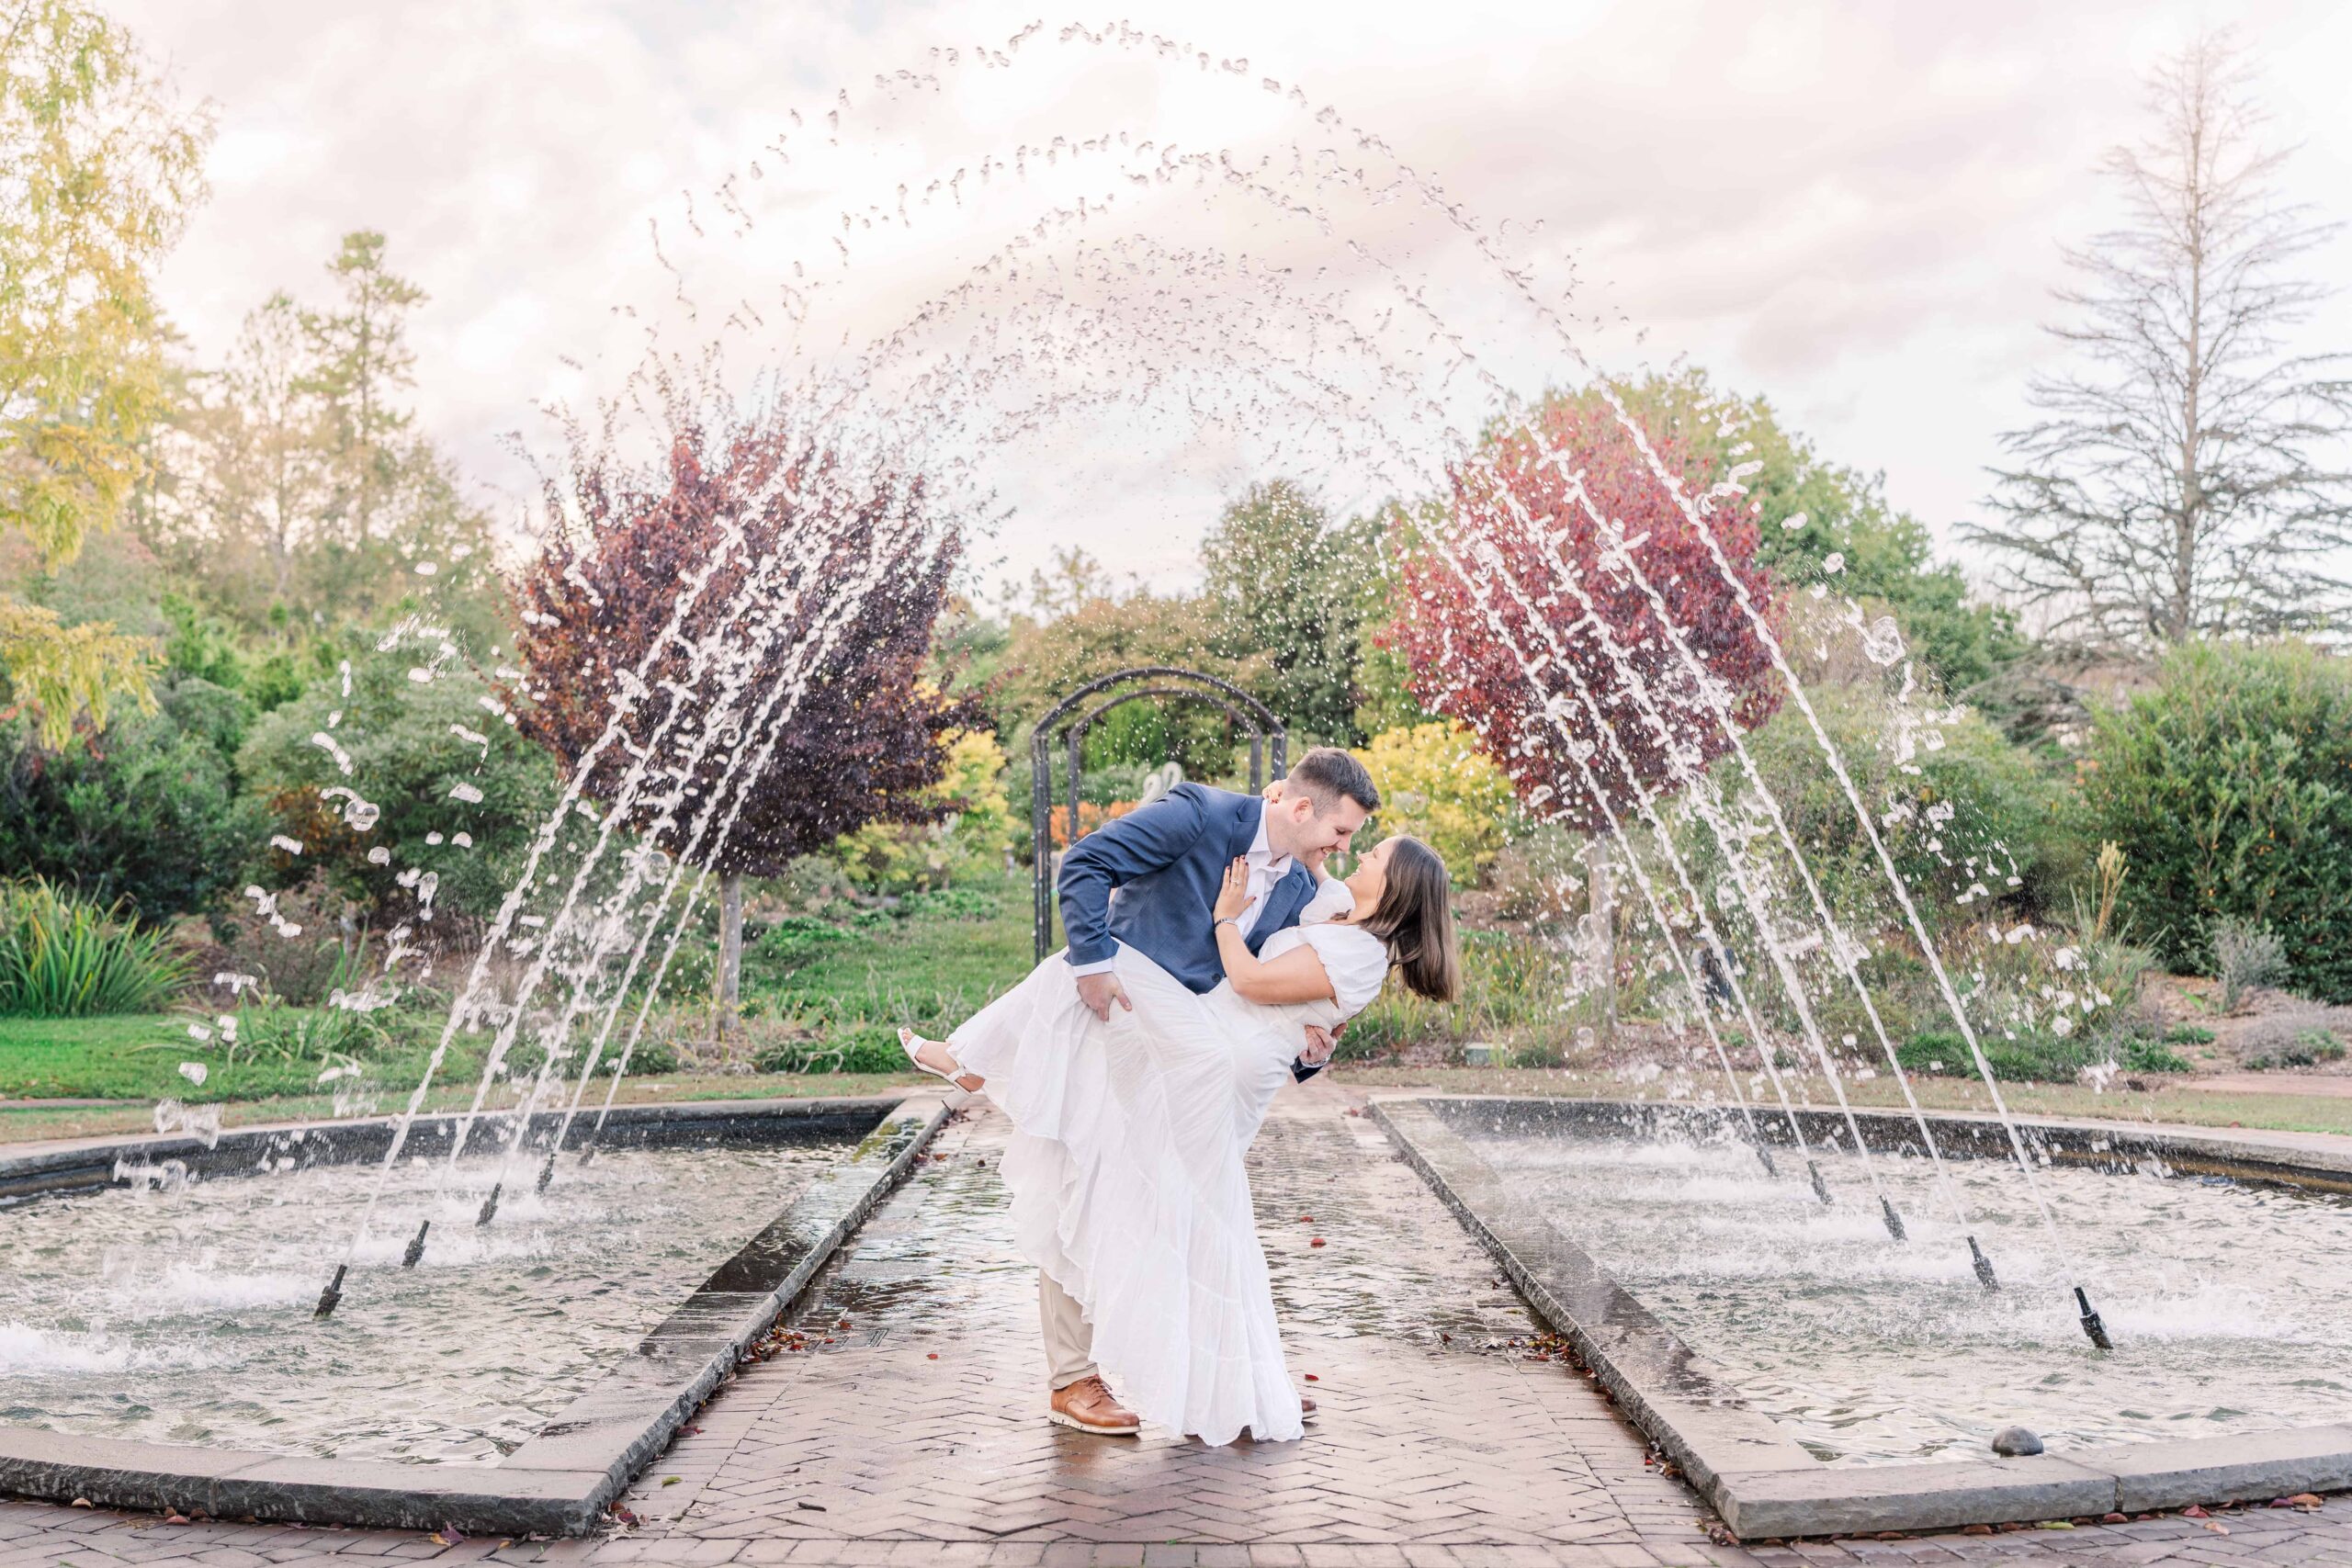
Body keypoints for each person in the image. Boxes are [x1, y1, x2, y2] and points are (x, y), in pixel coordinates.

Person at [899, 748, 1461, 1444]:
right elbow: (1085, 864)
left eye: (1358, 843)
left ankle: (1224, 1376)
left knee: (1175, 1216)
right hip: (1122, 1024)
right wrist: (1094, 964)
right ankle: (1075, 1377)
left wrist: (1313, 1046)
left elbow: (1284, 998)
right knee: (1081, 1179)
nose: (1345, 849)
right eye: (1342, 832)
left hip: (1194, 1070)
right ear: (1299, 806)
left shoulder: (1305, 887)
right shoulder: (1200, 815)